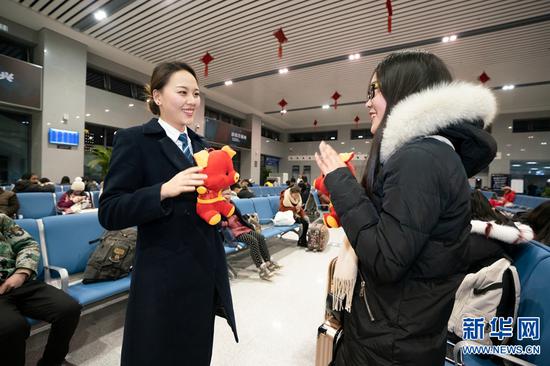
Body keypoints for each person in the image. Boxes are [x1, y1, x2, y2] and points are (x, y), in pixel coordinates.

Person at [314, 50, 497, 365]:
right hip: (400, 334)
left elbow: (386, 259)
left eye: (375, 91)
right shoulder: (431, 154)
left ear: (405, 92)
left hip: (390, 344)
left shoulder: (419, 159)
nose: (368, 102)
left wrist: (342, 185)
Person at [98, 61, 237, 366]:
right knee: (154, 354)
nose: (192, 101)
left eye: (196, 94)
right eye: (183, 92)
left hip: (202, 272)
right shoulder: (135, 141)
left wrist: (222, 199)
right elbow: (110, 211)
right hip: (160, 277)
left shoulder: (202, 146)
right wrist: (163, 190)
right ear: (157, 96)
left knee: (195, 353)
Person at [0, 213, 82, 366]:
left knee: (69, 309)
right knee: (11, 328)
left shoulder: (1, 219)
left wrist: (21, 273)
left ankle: (52, 361)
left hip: (18, 280)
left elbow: (27, 244)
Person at [220, 189, 280, 280]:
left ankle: (268, 261)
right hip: (232, 232)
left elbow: (239, 217)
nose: (227, 196)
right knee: (253, 241)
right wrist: (226, 224)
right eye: (225, 194)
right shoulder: (218, 206)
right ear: (220, 195)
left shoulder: (232, 203)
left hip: (241, 227)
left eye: (229, 194)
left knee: (260, 237)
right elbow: (218, 222)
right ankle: (261, 267)